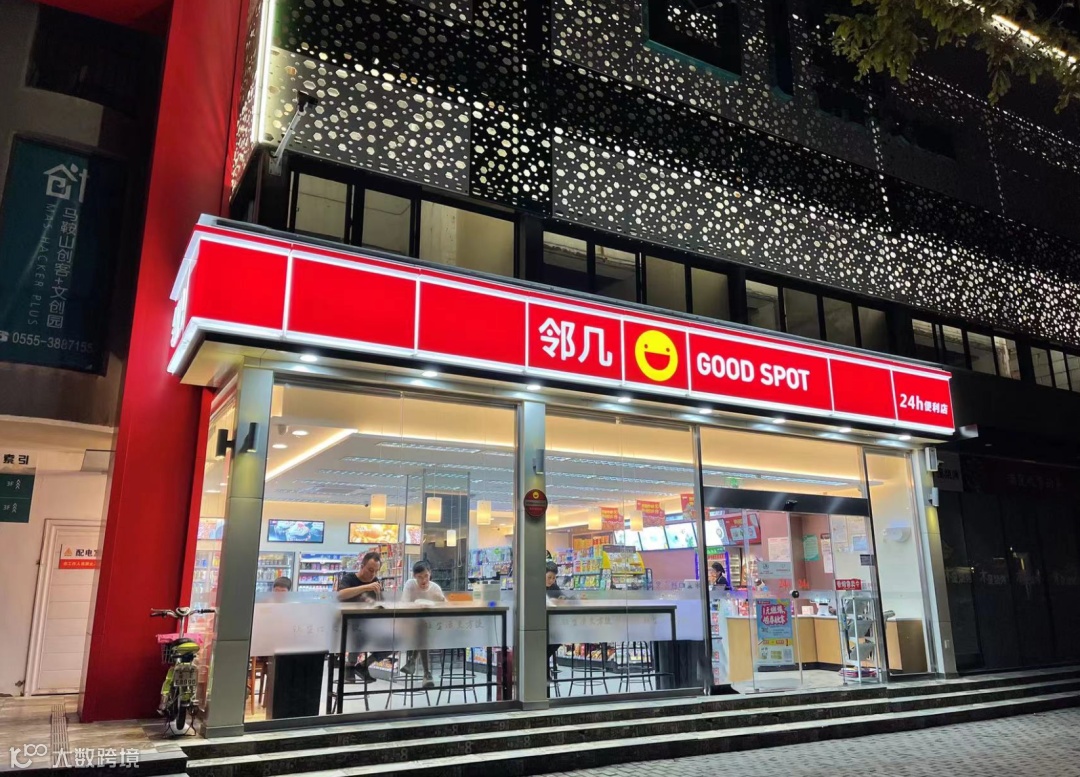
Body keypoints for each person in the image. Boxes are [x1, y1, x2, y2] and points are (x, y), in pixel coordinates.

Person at [337, 551, 387, 683]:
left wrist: (378, 601)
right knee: (359, 631)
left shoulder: (375, 581)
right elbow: (340, 594)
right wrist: (366, 587)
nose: (373, 574)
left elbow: (380, 602)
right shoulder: (349, 578)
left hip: (369, 623)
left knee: (395, 639)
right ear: (362, 566)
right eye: (370, 570)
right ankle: (350, 666)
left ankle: (363, 665)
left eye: (376, 571)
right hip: (347, 623)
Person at [400, 560, 444, 688]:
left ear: (430, 574)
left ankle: (413, 662)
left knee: (423, 629)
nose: (424, 580)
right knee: (421, 629)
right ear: (414, 576)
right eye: (419, 577)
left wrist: (441, 600)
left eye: (426, 576)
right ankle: (426, 673)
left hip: (433, 628)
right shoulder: (410, 584)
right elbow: (404, 604)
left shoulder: (435, 588)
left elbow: (444, 606)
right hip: (410, 626)